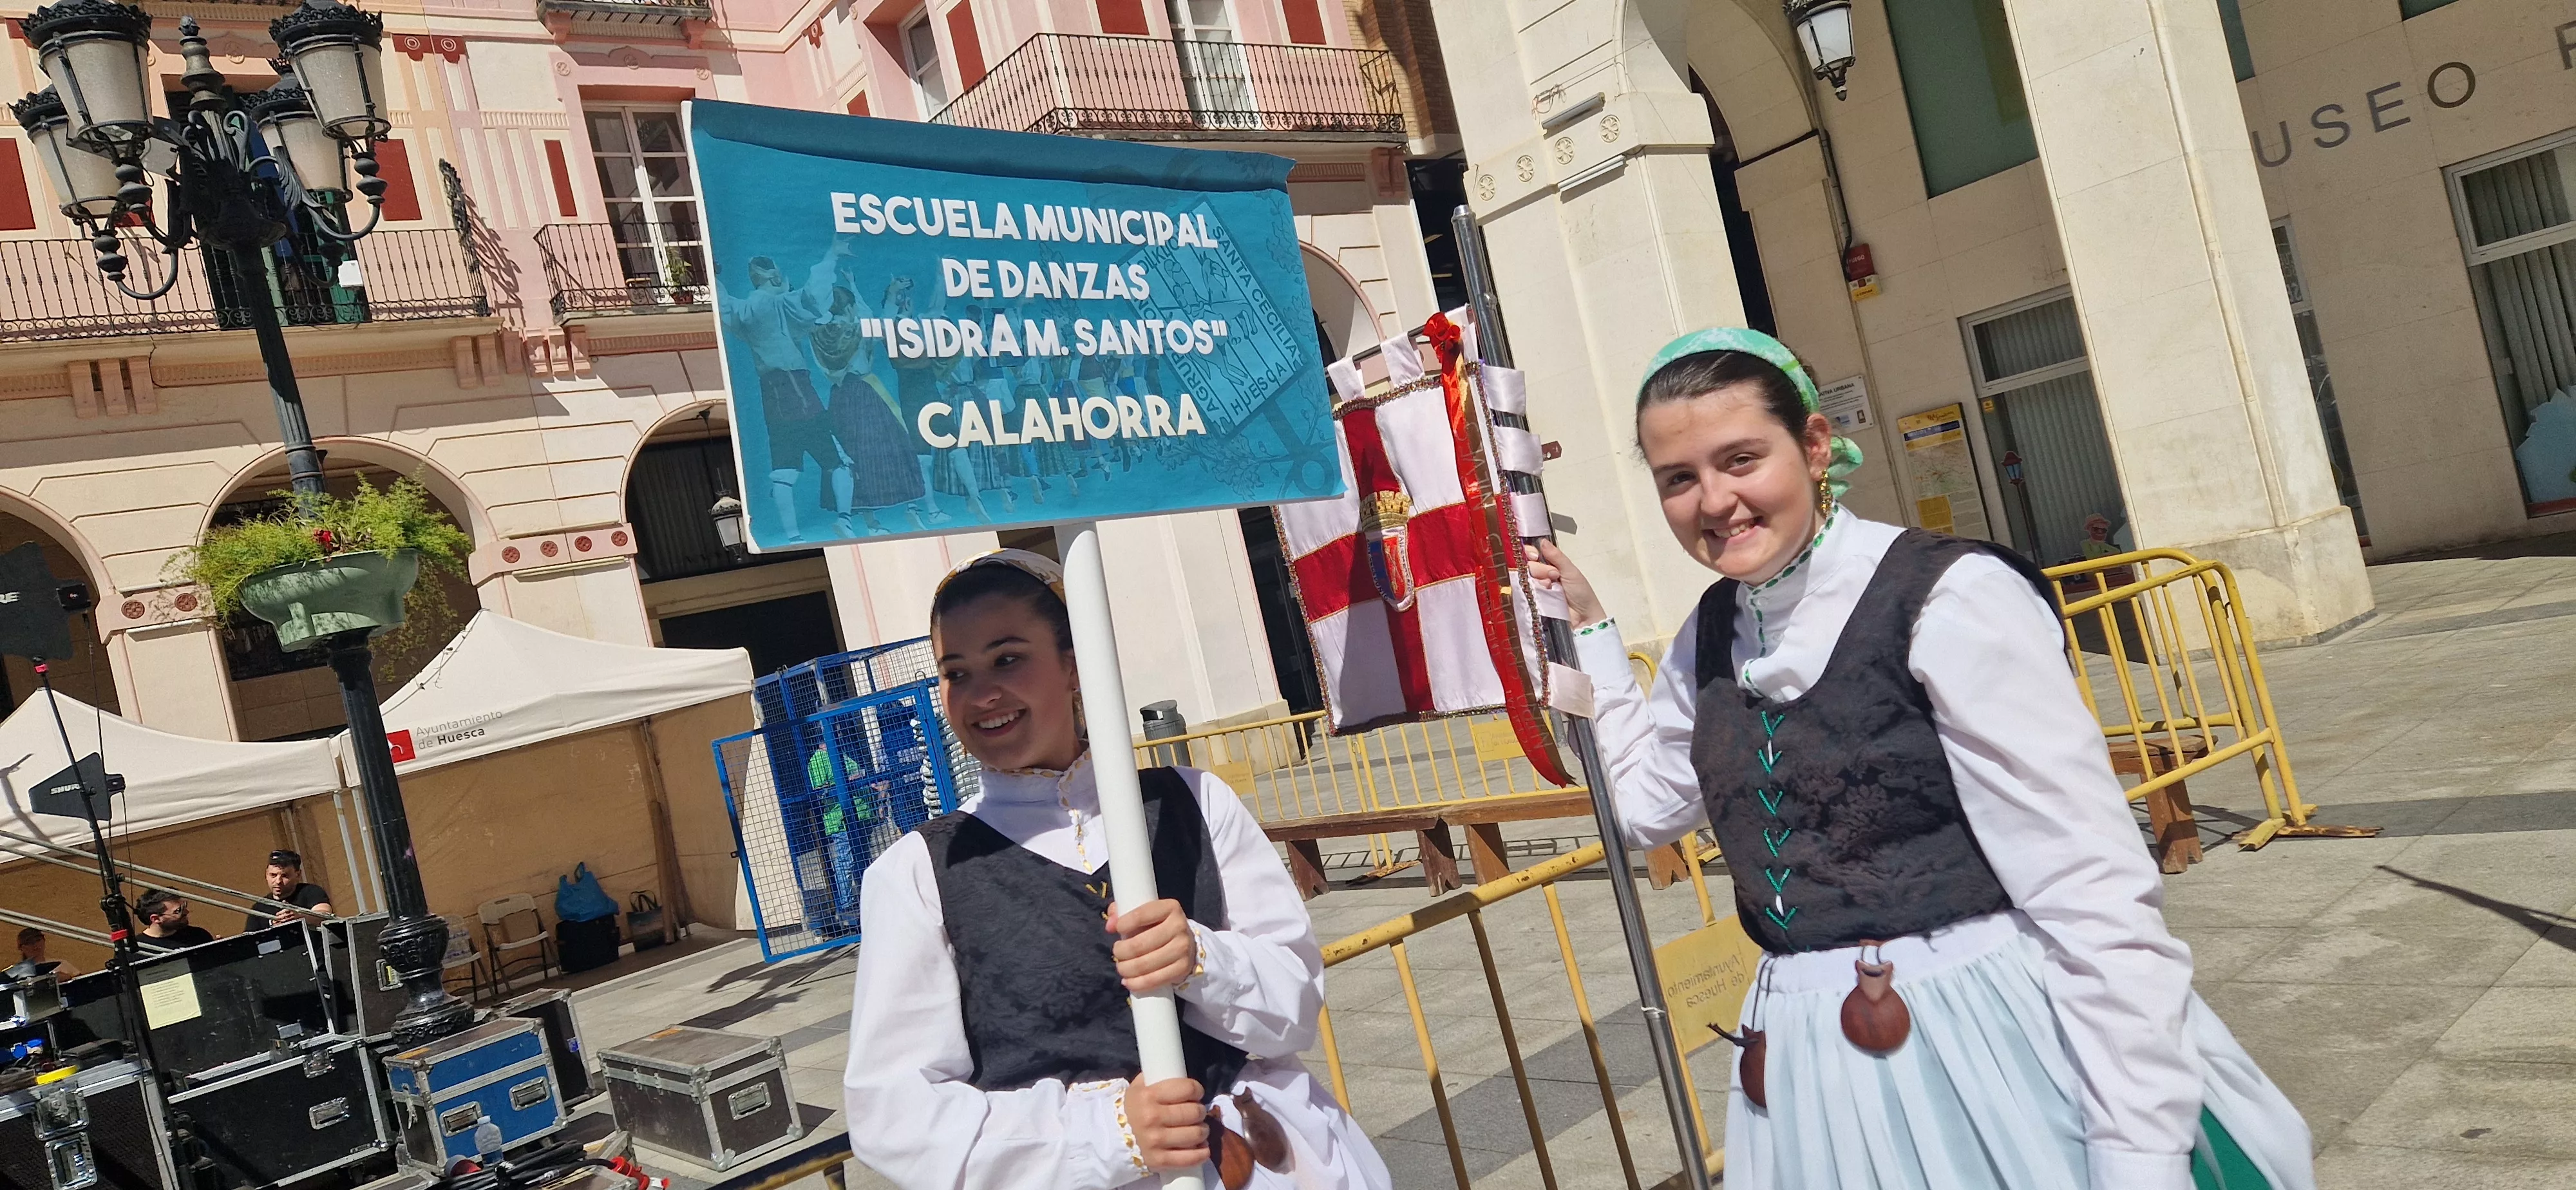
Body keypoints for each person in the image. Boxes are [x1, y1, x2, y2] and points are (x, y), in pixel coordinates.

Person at [1526, 328, 2314, 1190]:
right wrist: (1591, 631)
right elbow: (1642, 809)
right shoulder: (1708, 633)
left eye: (1742, 459)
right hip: (1808, 1072)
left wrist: (2137, 1149)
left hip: (1985, 1043)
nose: (1715, 500)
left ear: (1816, 446)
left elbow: (2093, 894)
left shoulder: (1951, 597)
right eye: (1680, 479)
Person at [842, 551, 1389, 1189]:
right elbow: (895, 1114)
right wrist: (1113, 1132)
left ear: (1074, 665)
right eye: (956, 673)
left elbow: (1294, 1010)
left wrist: (1203, 961)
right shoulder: (920, 871)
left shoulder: (1192, 801)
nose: (982, 693)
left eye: (1008, 658)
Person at [719, 245, 851, 542]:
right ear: (773, 275)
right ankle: (845, 520)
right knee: (836, 461)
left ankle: (792, 535)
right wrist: (831, 253)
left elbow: (725, 306)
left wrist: (715, 279)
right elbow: (814, 294)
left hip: (772, 394)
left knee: (784, 470)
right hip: (796, 387)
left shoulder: (744, 310)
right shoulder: (781, 304)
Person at [245, 849, 333, 931]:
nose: (278, 881)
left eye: (285, 876)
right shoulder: (259, 909)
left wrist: (300, 918)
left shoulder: (311, 892)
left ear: (298, 875)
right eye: (273, 875)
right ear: (266, 874)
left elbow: (325, 915)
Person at [134, 891, 214, 950]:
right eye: (178, 911)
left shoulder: (199, 936)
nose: (186, 912)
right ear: (156, 919)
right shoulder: (136, 949)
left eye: (184, 906)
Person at [15, 927, 79, 977]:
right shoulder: (16, 973)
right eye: (29, 943)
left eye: (38, 940)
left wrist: (68, 977)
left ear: (44, 940)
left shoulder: (61, 965)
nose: (35, 945)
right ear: (21, 948)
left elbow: (81, 980)